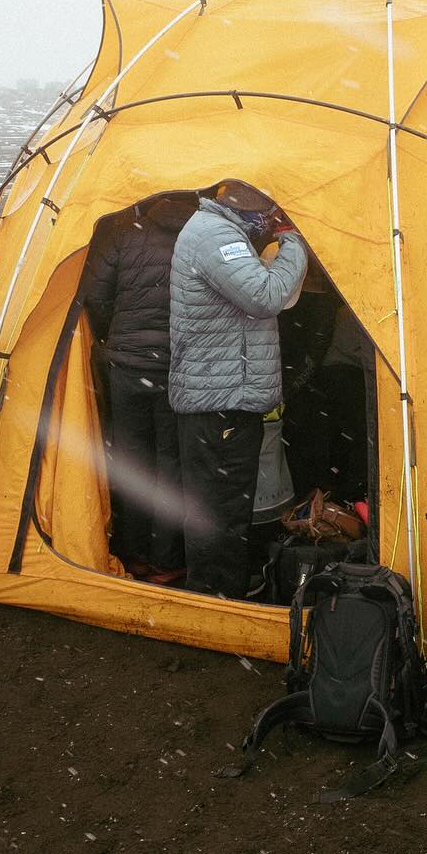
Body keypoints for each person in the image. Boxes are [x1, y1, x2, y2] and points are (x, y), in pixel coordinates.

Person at [169, 179, 307, 597]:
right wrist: (293, 241)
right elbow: (265, 296)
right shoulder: (214, 236)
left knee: (224, 506)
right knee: (220, 509)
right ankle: (216, 599)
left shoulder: (220, 231)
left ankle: (219, 589)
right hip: (220, 403)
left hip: (224, 397)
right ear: (253, 210)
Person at [80, 194, 194, 580]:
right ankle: (167, 558)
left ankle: (132, 553)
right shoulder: (200, 232)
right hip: (176, 368)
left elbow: (95, 294)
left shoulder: (122, 230)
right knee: (171, 463)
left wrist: (115, 333)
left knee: (131, 460)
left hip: (127, 366)